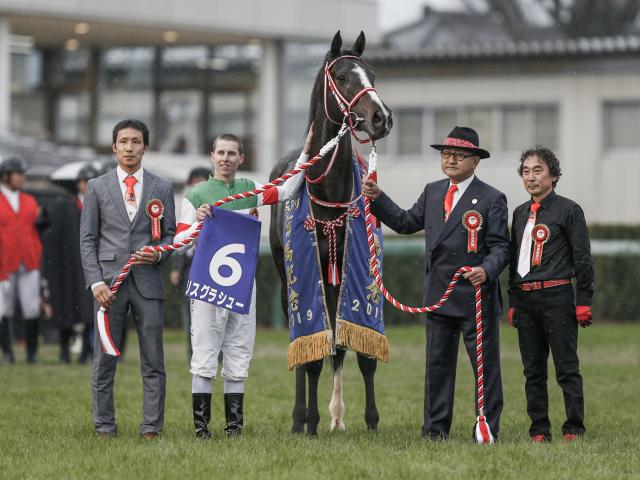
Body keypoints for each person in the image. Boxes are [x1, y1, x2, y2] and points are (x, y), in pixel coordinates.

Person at [362, 126, 509, 441]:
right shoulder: (432, 191)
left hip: (475, 297)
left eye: (458, 155)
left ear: (475, 161)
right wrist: (378, 198)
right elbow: (405, 222)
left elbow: (501, 247)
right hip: (438, 295)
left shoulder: (492, 198)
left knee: (485, 369)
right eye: (446, 154)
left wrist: (486, 269)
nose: (451, 160)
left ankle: (486, 427)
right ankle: (435, 430)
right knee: (437, 366)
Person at [174, 130, 312, 439]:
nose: (225, 158)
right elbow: (179, 244)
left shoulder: (249, 189)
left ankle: (234, 427)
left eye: (231, 153)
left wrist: (305, 153)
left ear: (240, 158)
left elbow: (288, 190)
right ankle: (201, 429)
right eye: (220, 153)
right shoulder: (196, 194)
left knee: (238, 352)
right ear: (212, 157)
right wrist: (198, 221)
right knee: (205, 355)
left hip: (242, 286)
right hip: (208, 288)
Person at [80, 119, 176, 439]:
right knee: (105, 359)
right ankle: (104, 426)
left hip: (148, 284)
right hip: (109, 286)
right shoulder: (96, 186)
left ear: (145, 147)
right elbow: (88, 239)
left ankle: (151, 427)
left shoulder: (162, 187)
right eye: (123, 141)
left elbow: (171, 234)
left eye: (136, 142)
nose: (129, 147)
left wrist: (159, 253)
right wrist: (96, 283)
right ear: (114, 146)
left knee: (153, 360)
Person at [507, 147, 593, 443]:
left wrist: (583, 300)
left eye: (538, 170)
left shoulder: (569, 210)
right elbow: (513, 260)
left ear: (554, 176)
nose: (531, 177)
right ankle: (539, 430)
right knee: (532, 370)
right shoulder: (519, 214)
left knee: (566, 367)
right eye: (526, 171)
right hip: (526, 300)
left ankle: (573, 428)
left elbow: (582, 258)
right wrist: (513, 301)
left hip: (557, 296)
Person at [0, 155, 45, 364]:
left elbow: (35, 227)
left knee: (31, 307)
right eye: (19, 174)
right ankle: (8, 352)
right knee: (4, 308)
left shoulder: (29, 200)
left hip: (28, 259)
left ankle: (31, 352)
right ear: (7, 176)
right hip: (5, 261)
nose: (22, 177)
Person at [169, 167, 210, 361]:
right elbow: (178, 240)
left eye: (202, 182)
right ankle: (192, 352)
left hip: (210, 265)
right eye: (194, 182)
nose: (197, 186)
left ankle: (215, 353)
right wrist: (176, 269)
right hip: (189, 266)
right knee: (192, 313)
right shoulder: (185, 206)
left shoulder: (216, 204)